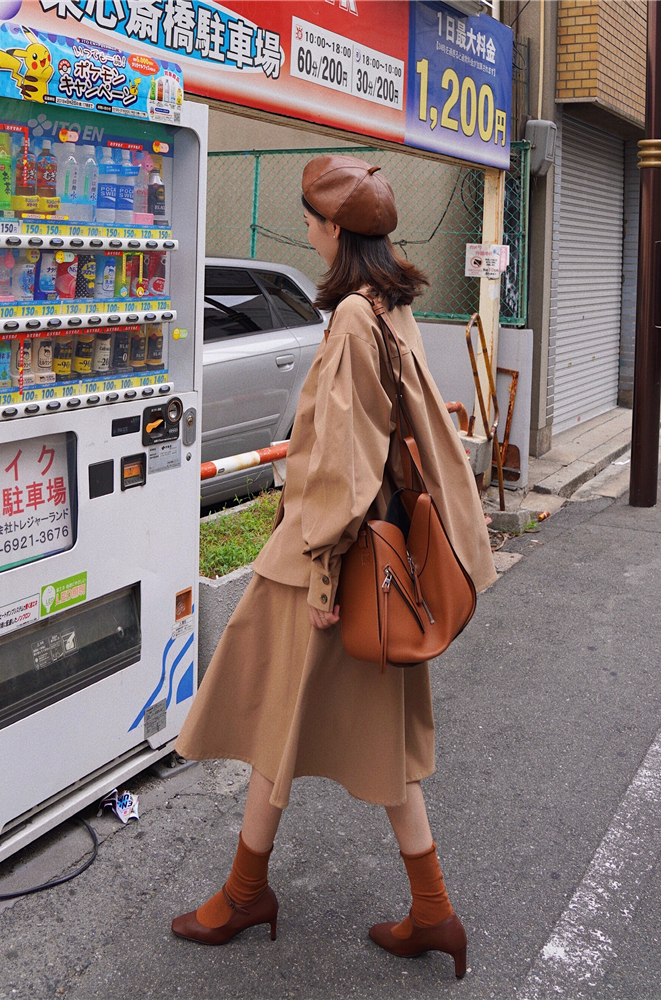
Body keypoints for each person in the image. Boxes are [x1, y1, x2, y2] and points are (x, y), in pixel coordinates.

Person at [172, 154, 496, 974]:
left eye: (314, 222)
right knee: (365, 739)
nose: (308, 232)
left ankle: (248, 893)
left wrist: (321, 579)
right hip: (376, 563)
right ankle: (430, 912)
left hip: (330, 562)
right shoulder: (391, 308)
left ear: (337, 234)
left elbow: (347, 463)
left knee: (271, 717)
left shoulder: (353, 317)